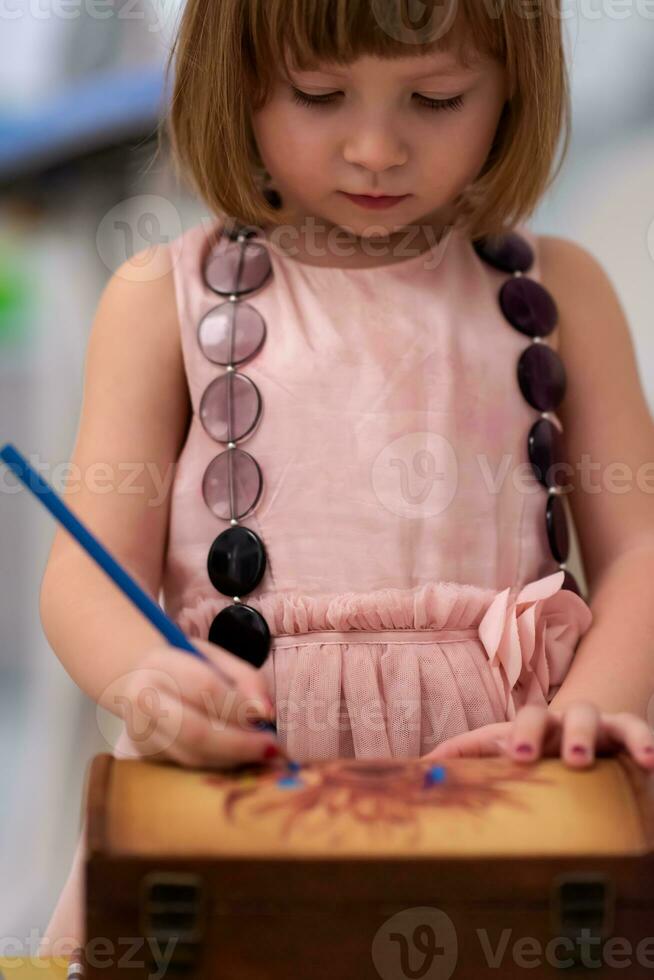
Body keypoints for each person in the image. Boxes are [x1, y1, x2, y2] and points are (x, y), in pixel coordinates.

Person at [37, 0, 654, 965]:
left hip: (503, 794)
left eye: (437, 98)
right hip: (238, 786)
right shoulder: (161, 298)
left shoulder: (560, 294)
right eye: (318, 95)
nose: (376, 148)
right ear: (236, 81)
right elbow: (84, 575)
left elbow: (641, 556)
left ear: (512, 90)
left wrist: (589, 706)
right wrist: (144, 680)